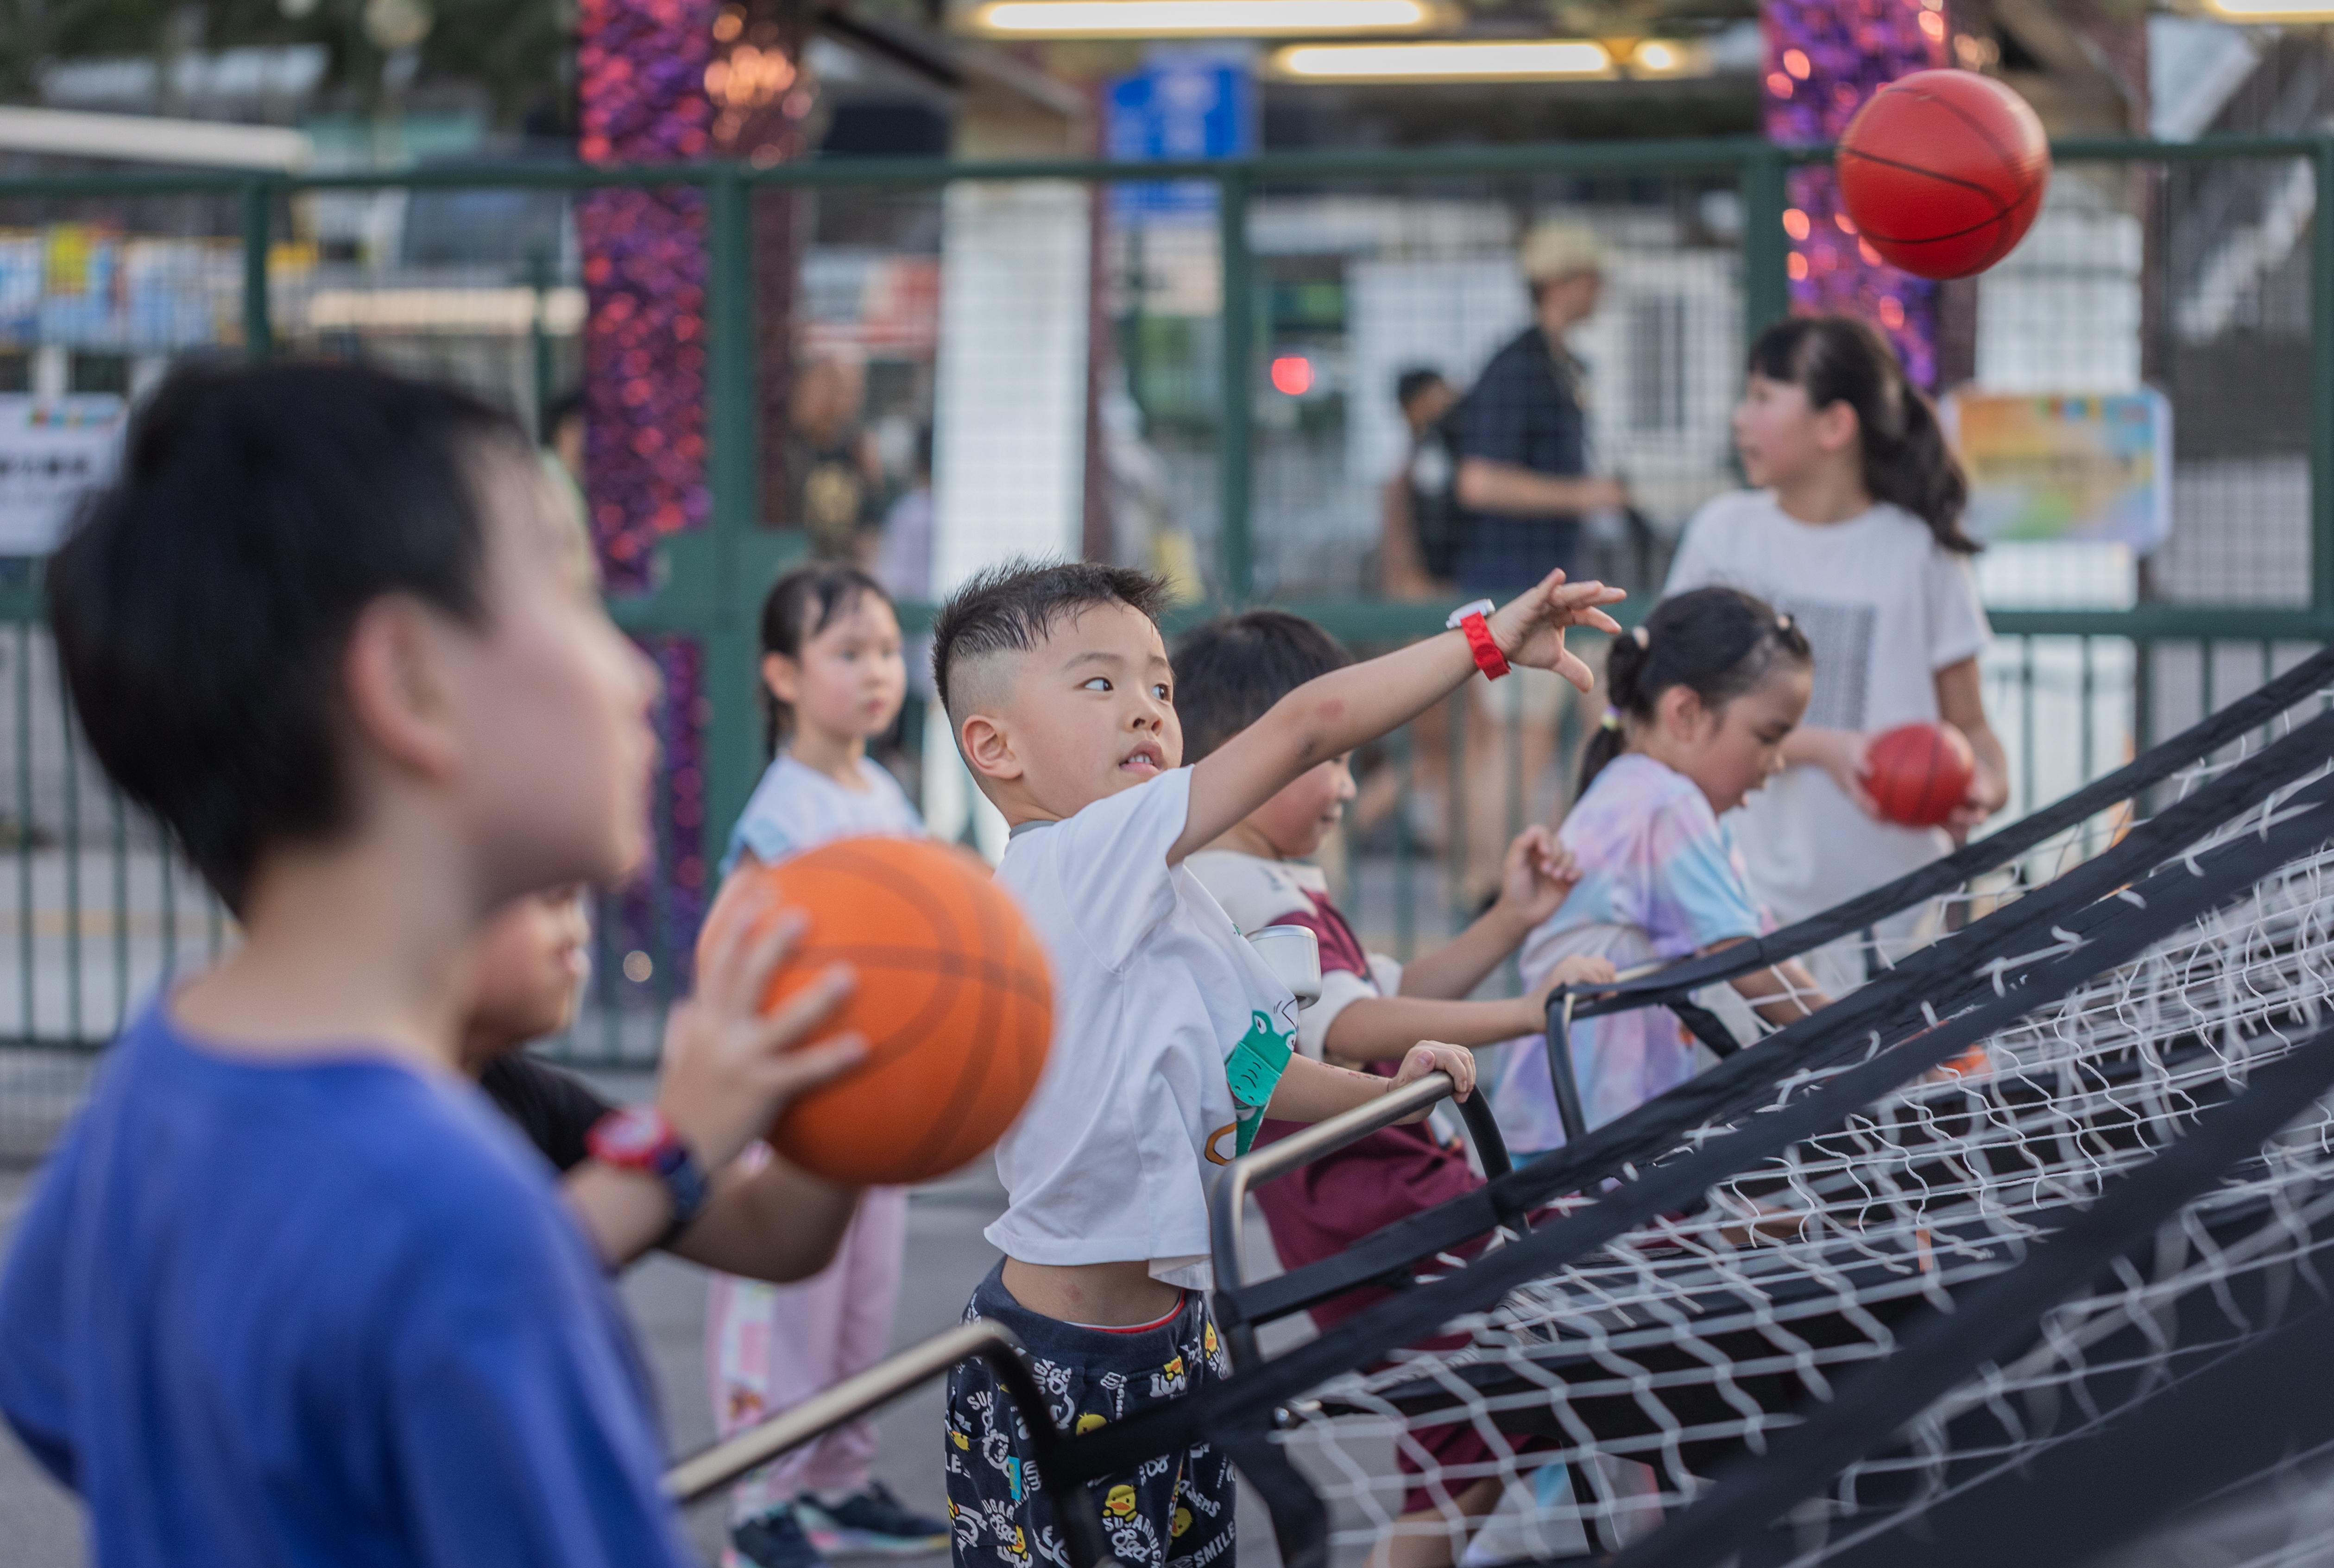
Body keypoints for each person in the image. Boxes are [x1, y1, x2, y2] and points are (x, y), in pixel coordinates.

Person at [0, 361, 857, 1563]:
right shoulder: (464, 1232)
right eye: (573, 597)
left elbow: (48, 1384)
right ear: (410, 682)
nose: (632, 676)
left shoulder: (158, 1082)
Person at [928, 557, 1622, 1568]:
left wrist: (1385, 1099)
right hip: (1058, 1361)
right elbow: (1304, 725)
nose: (1145, 709)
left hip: (1178, 1335)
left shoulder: (1164, 898)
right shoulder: (1074, 860)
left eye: (1159, 686)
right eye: (1099, 683)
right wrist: (1483, 643)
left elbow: (1249, 1073)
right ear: (994, 747)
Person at [1172, 609, 1616, 1568]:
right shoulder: (1235, 887)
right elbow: (1348, 1027)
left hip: (1386, 1189)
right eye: (1328, 761)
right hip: (1372, 1201)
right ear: (1249, 757)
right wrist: (1525, 1010)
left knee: (1500, 1402)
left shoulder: (1277, 878)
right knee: (1514, 1382)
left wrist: (1510, 921)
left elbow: (1388, 990)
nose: (1346, 787)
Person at [708, 563, 953, 1568]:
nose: (877, 671)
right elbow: (734, 959)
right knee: (783, 1308)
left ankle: (837, 1483)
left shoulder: (883, 794)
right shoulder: (782, 818)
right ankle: (758, 1499)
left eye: (887, 651)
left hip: (876, 1102)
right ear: (781, 675)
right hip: (794, 1112)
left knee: (860, 1304)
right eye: (847, 652)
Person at [1664, 315, 2010, 993]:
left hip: (1893, 917)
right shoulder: (1723, 536)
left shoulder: (1919, 549)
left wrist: (1981, 786)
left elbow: (1973, 728)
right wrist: (1825, 748)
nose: (1739, 418)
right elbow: (1674, 716)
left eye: (1763, 397)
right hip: (1741, 910)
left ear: (1833, 426)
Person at [1495, 587, 1831, 1159]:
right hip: (1581, 1148)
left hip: (1573, 1130)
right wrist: (1875, 1040)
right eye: (1767, 736)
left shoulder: (1641, 791)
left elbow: (1759, 944)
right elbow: (1747, 962)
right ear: (1686, 714)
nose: (1776, 763)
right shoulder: (1665, 806)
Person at [465, 885, 872, 1284]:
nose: (570, 895)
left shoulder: (520, 1094)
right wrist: (678, 1133)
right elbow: (475, 1289)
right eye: (522, 870)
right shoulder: (425, 1121)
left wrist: (853, 1068)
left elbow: (770, 1233)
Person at [788, 354, 886, 563]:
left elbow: (873, 511)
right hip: (803, 555)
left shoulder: (856, 444)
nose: (854, 399)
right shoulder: (796, 447)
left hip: (845, 560)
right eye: (845, 391)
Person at [1381, 367, 1463, 600]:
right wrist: (1411, 578)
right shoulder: (1407, 471)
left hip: (1462, 582)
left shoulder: (1458, 455)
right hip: (1428, 589)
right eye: (1434, 398)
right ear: (1411, 407)